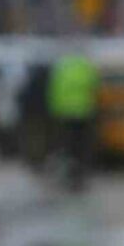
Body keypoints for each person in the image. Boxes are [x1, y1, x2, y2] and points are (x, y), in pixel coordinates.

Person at [46, 49, 99, 189]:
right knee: (81, 146)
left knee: (67, 146)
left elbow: (53, 90)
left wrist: (54, 111)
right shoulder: (85, 67)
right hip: (83, 112)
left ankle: (70, 170)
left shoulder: (61, 68)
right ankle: (79, 172)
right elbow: (94, 86)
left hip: (64, 113)